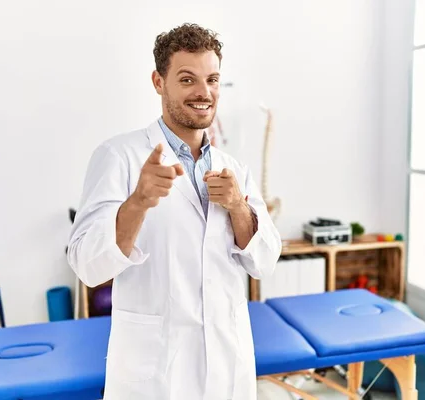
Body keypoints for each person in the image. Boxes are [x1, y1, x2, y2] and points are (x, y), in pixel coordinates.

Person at [67, 23, 282, 400]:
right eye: (187, 79)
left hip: (227, 367)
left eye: (212, 79)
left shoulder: (234, 169)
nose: (204, 93)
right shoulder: (119, 157)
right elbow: (87, 265)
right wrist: (138, 203)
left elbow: (264, 261)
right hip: (155, 374)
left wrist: (237, 207)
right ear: (158, 81)